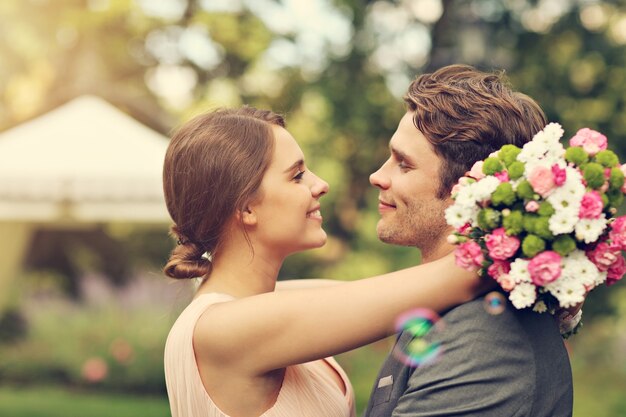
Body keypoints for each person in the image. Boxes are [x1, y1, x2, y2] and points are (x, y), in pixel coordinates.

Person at [162, 106, 490, 417]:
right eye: (297, 175)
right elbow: (463, 274)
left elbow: (398, 291)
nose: (321, 185)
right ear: (247, 208)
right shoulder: (224, 328)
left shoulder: (256, 303)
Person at [362, 64, 574, 417]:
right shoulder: (449, 305)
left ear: (468, 191)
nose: (376, 176)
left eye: (403, 164)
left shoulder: (487, 341)